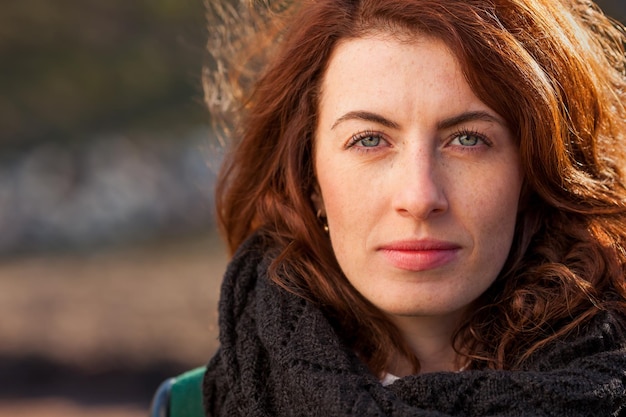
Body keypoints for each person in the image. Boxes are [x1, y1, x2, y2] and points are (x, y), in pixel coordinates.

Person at [202, 0, 626, 415]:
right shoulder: (189, 406)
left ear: (533, 173)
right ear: (308, 180)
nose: (420, 198)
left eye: (467, 139)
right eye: (369, 139)